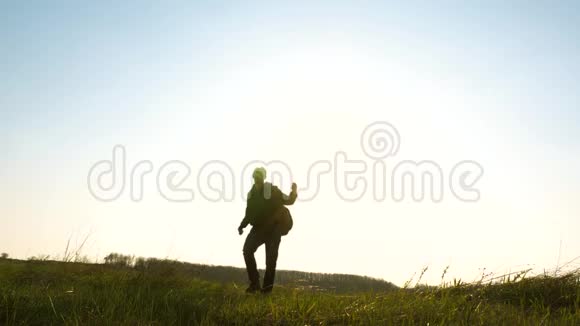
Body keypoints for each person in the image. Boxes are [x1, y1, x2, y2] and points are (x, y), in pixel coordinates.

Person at [238, 167, 297, 293]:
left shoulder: (271, 190)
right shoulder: (251, 194)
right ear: (253, 177)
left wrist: (294, 192)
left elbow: (289, 200)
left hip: (273, 229)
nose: (257, 178)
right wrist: (242, 225)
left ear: (263, 177)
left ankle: (266, 291)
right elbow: (249, 214)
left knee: (270, 261)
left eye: (259, 176)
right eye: (256, 175)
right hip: (258, 228)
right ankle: (255, 284)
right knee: (247, 250)